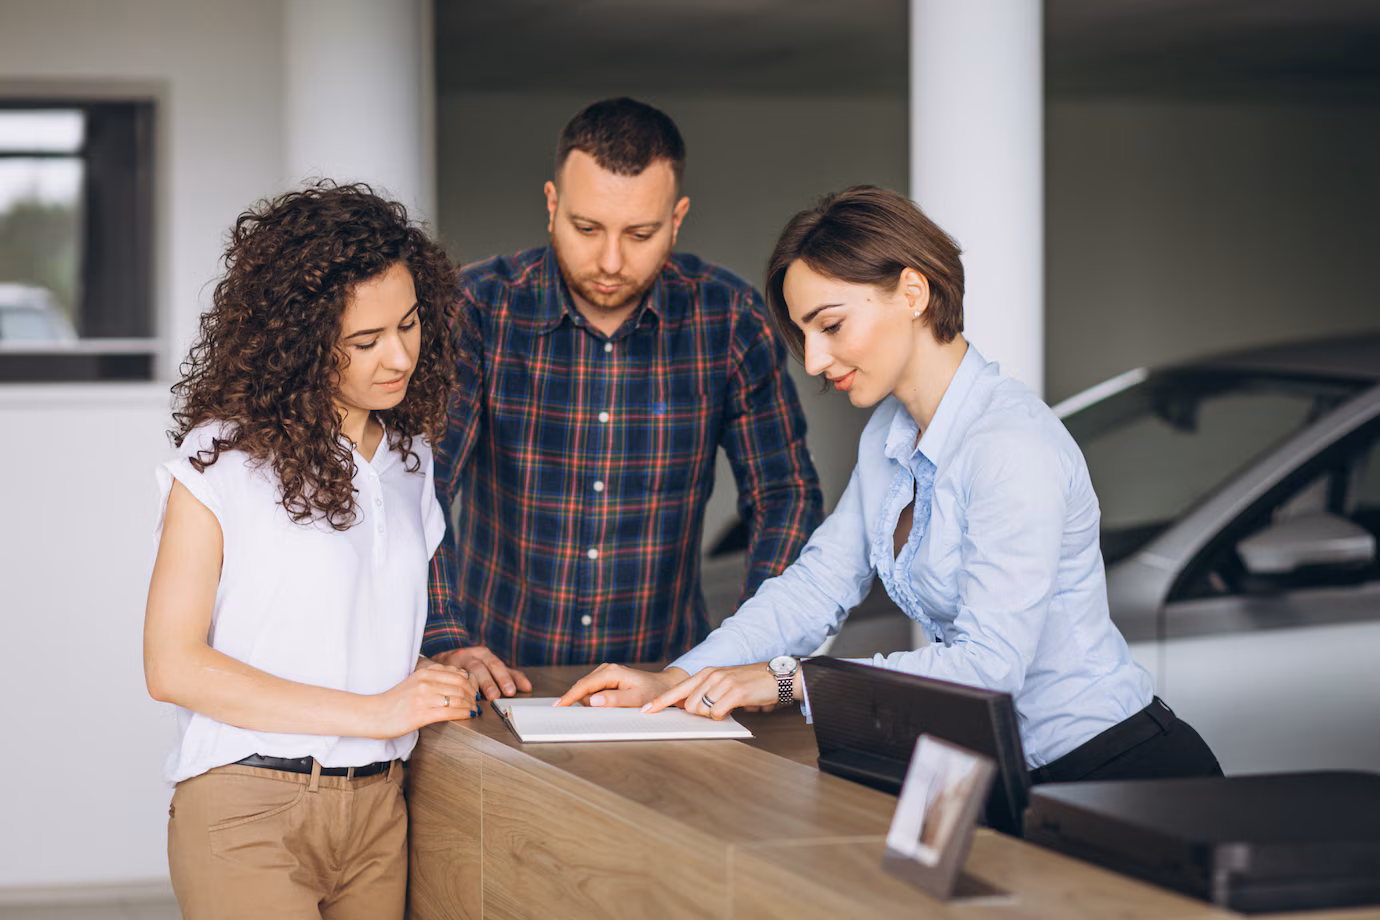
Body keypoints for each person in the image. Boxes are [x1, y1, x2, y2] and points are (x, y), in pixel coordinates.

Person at [561, 185, 1222, 784]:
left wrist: (788, 682)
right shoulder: (889, 433)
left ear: (912, 292)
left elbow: (989, 667)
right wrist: (678, 679)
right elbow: (819, 584)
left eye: (831, 325)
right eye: (803, 335)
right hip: (1007, 771)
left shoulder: (1010, 445)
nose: (815, 361)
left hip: (1121, 772)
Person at [143, 183, 481, 919]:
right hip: (249, 808)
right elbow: (170, 666)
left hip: (378, 808)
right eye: (365, 342)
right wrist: (378, 710)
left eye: (411, 324)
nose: (397, 356)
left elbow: (348, 633)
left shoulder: (411, 458)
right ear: (298, 342)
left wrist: (431, 673)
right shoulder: (222, 458)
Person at [424, 97, 823, 699]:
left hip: (665, 684)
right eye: (587, 229)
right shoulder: (478, 308)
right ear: (552, 205)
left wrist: (746, 654)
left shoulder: (730, 318)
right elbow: (418, 483)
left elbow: (785, 496)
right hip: (496, 676)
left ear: (677, 217)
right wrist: (444, 632)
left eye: (640, 234)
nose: (611, 261)